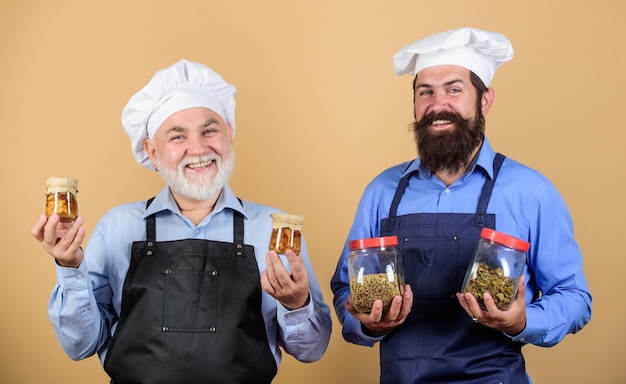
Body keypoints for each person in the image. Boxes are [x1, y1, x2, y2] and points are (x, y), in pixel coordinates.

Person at [32, 59, 332, 384]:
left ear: (229, 134)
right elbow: (80, 344)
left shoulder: (273, 230)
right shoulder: (117, 227)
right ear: (152, 151)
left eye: (210, 130)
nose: (198, 148)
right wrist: (69, 266)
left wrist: (297, 304)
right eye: (177, 137)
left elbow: (311, 351)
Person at [330, 27, 592, 383]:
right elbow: (346, 290)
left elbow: (574, 297)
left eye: (454, 89)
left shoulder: (529, 191)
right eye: (426, 92)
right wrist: (368, 325)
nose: (438, 105)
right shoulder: (382, 191)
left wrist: (523, 321)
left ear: (484, 100)